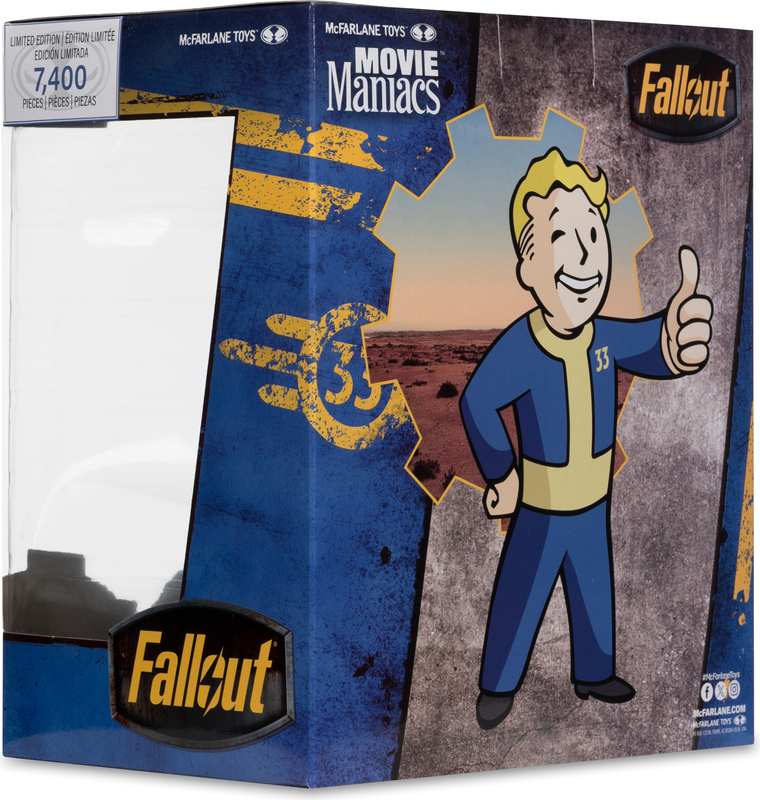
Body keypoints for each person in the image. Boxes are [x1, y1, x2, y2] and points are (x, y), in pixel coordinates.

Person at [459, 147, 713, 729]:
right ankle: (497, 686)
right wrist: (502, 473)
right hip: (542, 508)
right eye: (560, 237)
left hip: (594, 501)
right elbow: (476, 402)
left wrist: (674, 342)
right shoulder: (522, 346)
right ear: (527, 268)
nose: (582, 254)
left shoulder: (603, 337)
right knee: (521, 593)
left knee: (594, 588)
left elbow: (650, 344)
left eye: (593, 235)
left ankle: (594, 672)